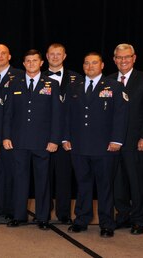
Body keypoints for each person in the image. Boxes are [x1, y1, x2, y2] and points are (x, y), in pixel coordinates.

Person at [63, 52, 128, 238]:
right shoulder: (74, 87)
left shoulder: (114, 86)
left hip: (104, 147)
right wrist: (65, 137)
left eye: (94, 63)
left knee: (105, 185)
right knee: (83, 184)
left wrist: (117, 140)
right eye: (86, 63)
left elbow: (120, 115)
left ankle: (107, 223)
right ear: (83, 66)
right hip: (79, 145)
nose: (90, 66)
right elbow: (66, 115)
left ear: (102, 66)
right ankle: (81, 219)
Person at [2, 49, 61, 229]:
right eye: (28, 61)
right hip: (19, 141)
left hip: (43, 142)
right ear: (24, 63)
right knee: (20, 179)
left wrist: (54, 139)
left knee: (42, 180)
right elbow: (8, 113)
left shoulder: (51, 84)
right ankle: (19, 216)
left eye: (35, 60)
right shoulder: (15, 84)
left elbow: (56, 115)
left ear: (41, 63)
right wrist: (6, 136)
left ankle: (42, 217)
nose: (31, 64)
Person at [110, 43, 143, 235]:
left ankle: (138, 219)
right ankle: (122, 216)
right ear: (114, 60)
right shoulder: (109, 80)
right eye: (119, 57)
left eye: (127, 57)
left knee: (138, 182)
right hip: (114, 143)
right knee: (117, 182)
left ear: (134, 58)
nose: (123, 61)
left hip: (136, 141)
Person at [0, 44, 25, 220]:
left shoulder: (19, 76)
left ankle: (11, 209)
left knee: (11, 172)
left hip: (11, 133)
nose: (0, 56)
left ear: (9, 57)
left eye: (3, 53)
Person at [45, 43, 81, 225]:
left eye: (59, 54)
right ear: (46, 56)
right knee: (44, 177)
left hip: (68, 137)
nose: (55, 57)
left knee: (64, 177)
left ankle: (64, 213)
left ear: (65, 56)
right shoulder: (38, 77)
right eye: (52, 54)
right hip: (44, 137)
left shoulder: (77, 78)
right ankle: (43, 212)